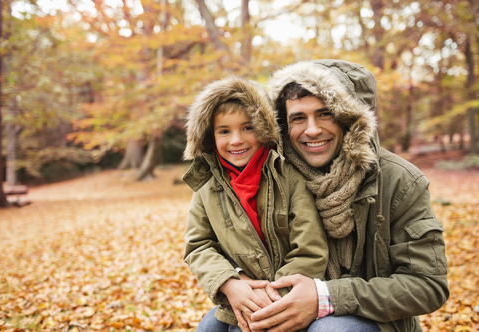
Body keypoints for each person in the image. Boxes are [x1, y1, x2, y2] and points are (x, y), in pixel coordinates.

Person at [240, 60, 449, 332]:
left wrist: (326, 297)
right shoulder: (278, 177)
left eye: (325, 114)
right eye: (298, 118)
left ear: (351, 120)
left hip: (376, 323)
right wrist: (233, 281)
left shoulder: (400, 181)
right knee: (214, 324)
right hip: (288, 307)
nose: (312, 130)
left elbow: (428, 285)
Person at [181, 75, 329, 331]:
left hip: (289, 296)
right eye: (224, 131)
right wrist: (230, 282)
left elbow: (310, 249)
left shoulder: (289, 177)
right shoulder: (206, 186)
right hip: (238, 293)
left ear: (265, 128)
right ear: (209, 136)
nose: (236, 140)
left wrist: (268, 301)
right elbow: (199, 246)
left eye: (248, 127)